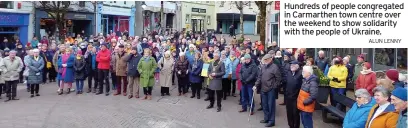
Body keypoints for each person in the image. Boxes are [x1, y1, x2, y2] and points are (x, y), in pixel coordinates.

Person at [253, 54, 282, 127]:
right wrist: (256, 85)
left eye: (266, 60)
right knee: (264, 105)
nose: (264, 61)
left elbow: (278, 79)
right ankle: (266, 118)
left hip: (270, 90)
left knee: (271, 106)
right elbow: (259, 77)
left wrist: (273, 86)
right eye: (264, 60)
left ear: (270, 59)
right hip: (263, 89)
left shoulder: (275, 67)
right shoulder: (263, 67)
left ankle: (272, 121)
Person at [284, 61, 302, 128]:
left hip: (296, 98)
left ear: (297, 66)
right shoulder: (289, 73)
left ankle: (296, 126)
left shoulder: (300, 74)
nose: (291, 66)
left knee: (295, 113)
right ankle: (291, 125)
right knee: (289, 113)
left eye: (293, 65)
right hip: (288, 97)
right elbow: (286, 83)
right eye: (291, 65)